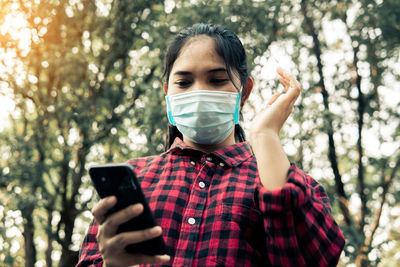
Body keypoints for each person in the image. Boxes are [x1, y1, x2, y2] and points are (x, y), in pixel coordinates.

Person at [76, 23, 345, 267]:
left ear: (245, 92)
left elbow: (314, 258)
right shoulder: (134, 181)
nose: (198, 92)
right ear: (167, 92)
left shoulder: (287, 182)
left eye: (217, 80)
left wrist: (264, 136)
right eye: (183, 82)